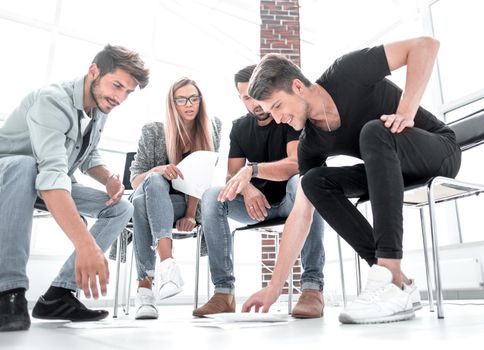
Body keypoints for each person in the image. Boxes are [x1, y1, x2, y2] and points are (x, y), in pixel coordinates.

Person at [242, 37, 461, 324]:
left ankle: (390, 277)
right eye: (271, 113)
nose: (279, 118)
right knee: (313, 182)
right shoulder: (310, 143)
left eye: (278, 106)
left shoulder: (347, 72)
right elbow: (301, 215)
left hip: (437, 152)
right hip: (387, 168)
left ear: (297, 86)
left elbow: (425, 46)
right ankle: (398, 282)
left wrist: (406, 112)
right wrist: (274, 287)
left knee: (373, 131)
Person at [0, 45, 149, 332]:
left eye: (128, 92)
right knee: (24, 165)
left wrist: (107, 178)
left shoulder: (99, 106)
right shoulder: (52, 101)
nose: (120, 97)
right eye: (117, 85)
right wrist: (86, 245)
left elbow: (87, 155)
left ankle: (59, 295)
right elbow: (52, 174)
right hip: (11, 175)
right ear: (94, 71)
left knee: (121, 207)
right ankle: (9, 292)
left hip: (45, 181)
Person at [192, 65, 325, 318]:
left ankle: (312, 288)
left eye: (253, 95)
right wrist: (249, 188)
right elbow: (233, 176)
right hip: (256, 206)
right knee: (212, 196)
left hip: (291, 201)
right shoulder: (240, 128)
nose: (252, 103)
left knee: (306, 183)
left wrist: (252, 171)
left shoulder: (286, 115)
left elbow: (296, 164)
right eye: (244, 98)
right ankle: (223, 293)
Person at [129, 77, 221, 320]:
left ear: (200, 101)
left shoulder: (212, 128)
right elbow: (135, 181)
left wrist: (191, 213)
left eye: (193, 98)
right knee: (147, 191)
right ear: (172, 103)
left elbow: (202, 177)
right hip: (150, 201)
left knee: (141, 204)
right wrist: (158, 170)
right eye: (181, 99)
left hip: (181, 205)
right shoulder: (153, 131)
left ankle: (145, 289)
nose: (188, 104)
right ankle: (167, 264)